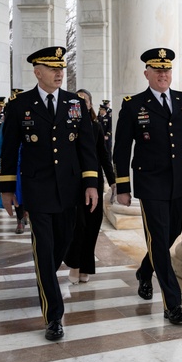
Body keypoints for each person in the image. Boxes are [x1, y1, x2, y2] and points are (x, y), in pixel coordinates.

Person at [0, 47, 100, 341]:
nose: (59, 73)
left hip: (69, 190)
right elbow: (8, 151)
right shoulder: (19, 105)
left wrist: (91, 184)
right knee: (44, 252)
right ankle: (54, 316)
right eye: (52, 68)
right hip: (37, 191)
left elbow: (86, 148)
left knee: (63, 244)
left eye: (61, 68)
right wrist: (7, 190)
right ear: (37, 71)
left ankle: (48, 281)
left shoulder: (74, 104)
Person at [113, 47, 182, 324]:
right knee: (159, 240)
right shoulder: (134, 104)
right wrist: (122, 186)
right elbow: (122, 148)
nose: (163, 74)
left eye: (167, 70)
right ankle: (173, 304)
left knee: (170, 233)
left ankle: (144, 271)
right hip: (150, 183)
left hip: (178, 180)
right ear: (146, 73)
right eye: (158, 70)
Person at [65, 88, 116, 284]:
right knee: (78, 226)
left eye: (84, 101)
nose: (80, 104)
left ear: (89, 104)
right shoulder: (66, 126)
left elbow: (103, 156)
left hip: (93, 182)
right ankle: (75, 264)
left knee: (93, 226)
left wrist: (113, 181)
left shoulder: (96, 126)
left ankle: (86, 266)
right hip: (72, 183)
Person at [0, 89, 29, 234]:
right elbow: (0, 146)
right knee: (16, 194)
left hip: (31, 166)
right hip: (15, 166)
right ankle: (20, 220)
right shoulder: (7, 124)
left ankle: (26, 212)